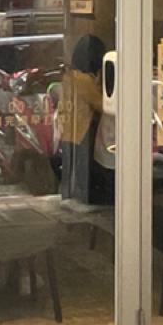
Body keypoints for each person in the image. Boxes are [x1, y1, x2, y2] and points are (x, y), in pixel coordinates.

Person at [57, 34, 106, 203]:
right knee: (82, 170)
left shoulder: (69, 77)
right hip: (82, 132)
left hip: (68, 130)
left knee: (69, 169)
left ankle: (68, 196)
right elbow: (101, 104)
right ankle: (81, 198)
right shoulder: (84, 81)